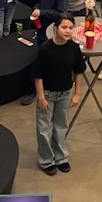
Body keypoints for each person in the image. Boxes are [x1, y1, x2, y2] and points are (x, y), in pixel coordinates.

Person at [33, 15, 85, 175]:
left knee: (61, 126)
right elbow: (38, 76)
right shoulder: (45, 49)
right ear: (55, 28)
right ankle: (46, 160)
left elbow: (78, 72)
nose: (67, 31)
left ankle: (61, 157)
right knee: (44, 128)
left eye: (70, 28)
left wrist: (77, 94)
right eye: (64, 27)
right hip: (47, 94)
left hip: (65, 94)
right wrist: (41, 97)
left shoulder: (74, 48)